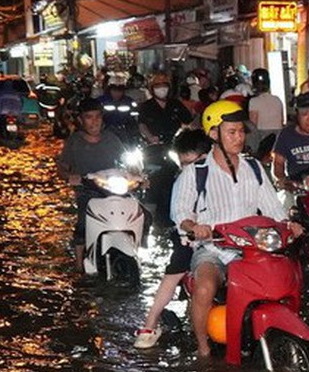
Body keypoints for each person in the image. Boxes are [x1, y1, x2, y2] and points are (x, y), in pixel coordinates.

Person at [170, 100, 296, 358]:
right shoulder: (196, 172)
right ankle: (203, 347)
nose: (239, 138)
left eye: (241, 131)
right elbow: (180, 211)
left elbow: (272, 207)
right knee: (205, 287)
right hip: (214, 249)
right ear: (213, 134)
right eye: (232, 132)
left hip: (253, 248)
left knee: (287, 277)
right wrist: (194, 227)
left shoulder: (254, 168)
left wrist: (288, 225)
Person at [133, 129, 213, 349]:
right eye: (184, 164)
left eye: (192, 162)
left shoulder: (226, 173)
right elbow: (178, 214)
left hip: (222, 237)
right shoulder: (180, 179)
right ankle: (150, 323)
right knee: (175, 269)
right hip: (189, 236)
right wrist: (190, 229)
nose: (188, 168)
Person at [56, 97, 127, 271]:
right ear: (81, 120)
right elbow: (62, 167)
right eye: (89, 117)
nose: (94, 122)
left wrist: (138, 175)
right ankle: (79, 262)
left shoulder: (112, 139)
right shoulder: (74, 142)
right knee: (82, 221)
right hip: (87, 190)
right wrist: (70, 177)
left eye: (97, 117)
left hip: (113, 189)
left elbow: (128, 161)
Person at [138, 73, 192, 145]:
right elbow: (142, 124)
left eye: (164, 86)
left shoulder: (175, 104)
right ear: (152, 89)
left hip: (175, 144)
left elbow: (188, 120)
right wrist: (150, 137)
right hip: (155, 145)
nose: (162, 89)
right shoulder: (146, 106)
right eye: (158, 86)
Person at [247, 68, 284, 156]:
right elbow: (282, 120)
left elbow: (253, 125)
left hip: (263, 138)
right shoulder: (277, 99)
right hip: (278, 137)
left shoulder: (254, 101)